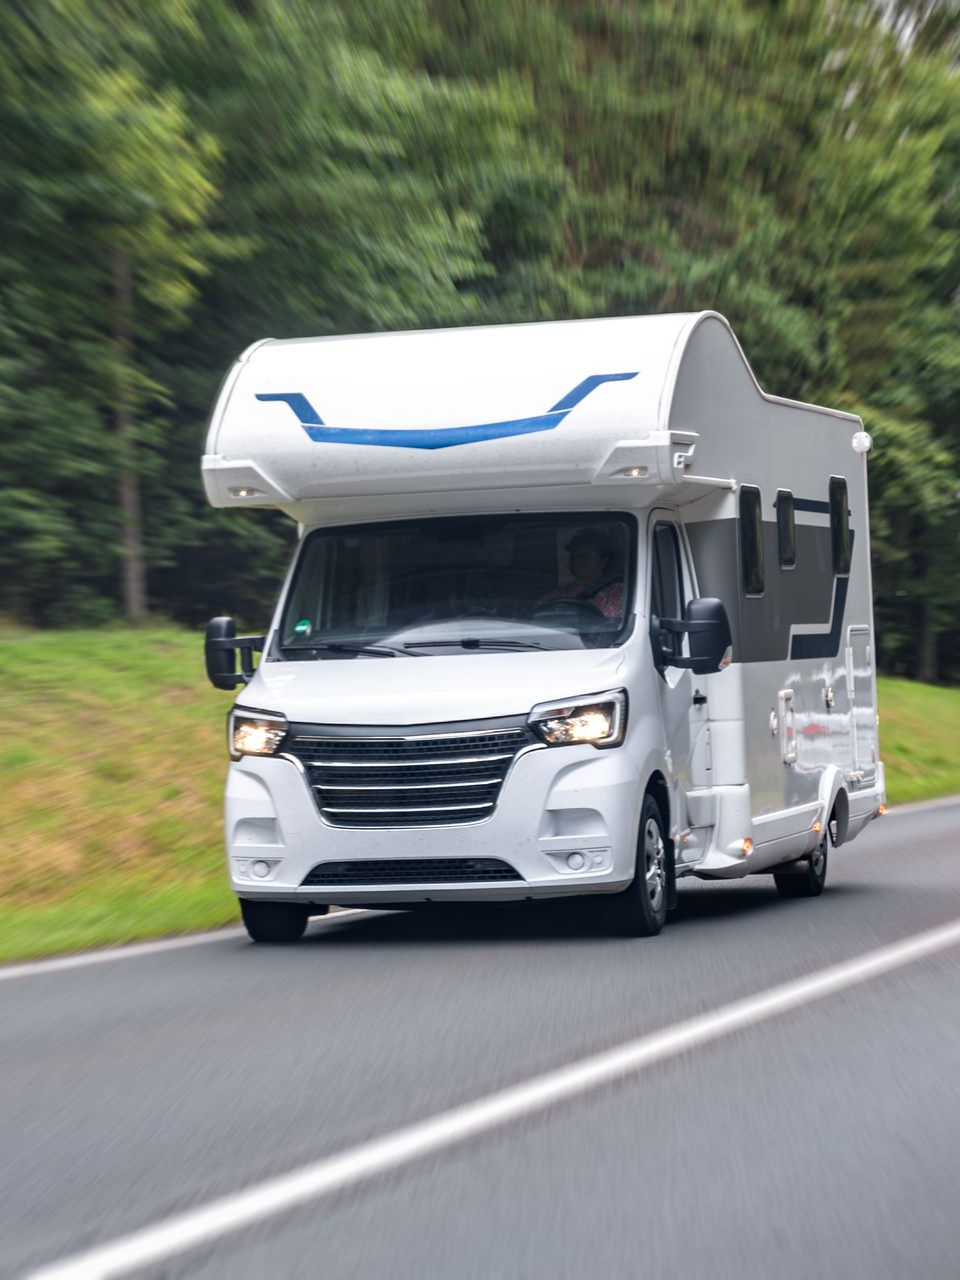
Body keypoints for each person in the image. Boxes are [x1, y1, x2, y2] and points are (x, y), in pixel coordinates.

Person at [538, 528, 624, 620]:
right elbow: (537, 619)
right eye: (576, 555)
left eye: (588, 555)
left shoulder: (617, 592)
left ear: (604, 560)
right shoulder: (558, 594)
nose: (581, 560)